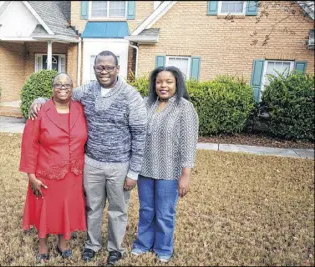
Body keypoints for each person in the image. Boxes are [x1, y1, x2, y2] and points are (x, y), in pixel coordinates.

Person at [29, 51, 147, 265]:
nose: (104, 71)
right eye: (100, 67)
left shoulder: (131, 95)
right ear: (94, 69)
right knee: (92, 207)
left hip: (120, 164)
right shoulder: (87, 90)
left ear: (117, 69)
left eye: (109, 67)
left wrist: (133, 172)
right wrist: (37, 100)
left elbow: (140, 134)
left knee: (117, 210)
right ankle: (92, 245)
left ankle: (115, 248)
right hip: (91, 162)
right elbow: (62, 93)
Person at [130, 66, 199, 263]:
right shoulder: (146, 104)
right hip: (145, 168)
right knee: (146, 210)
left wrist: (186, 174)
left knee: (164, 213)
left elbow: (188, 142)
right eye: (159, 81)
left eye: (169, 82)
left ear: (177, 83)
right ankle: (143, 244)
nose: (163, 86)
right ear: (154, 84)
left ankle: (163, 248)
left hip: (169, 171)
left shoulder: (184, 108)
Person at [19, 73, 88, 263]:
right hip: (47, 172)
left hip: (73, 173)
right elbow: (29, 145)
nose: (63, 88)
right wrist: (31, 175)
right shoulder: (40, 111)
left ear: (73, 87)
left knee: (66, 208)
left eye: (67, 85)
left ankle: (63, 243)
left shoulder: (80, 108)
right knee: (46, 210)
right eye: (58, 84)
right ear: (52, 88)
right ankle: (42, 246)